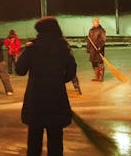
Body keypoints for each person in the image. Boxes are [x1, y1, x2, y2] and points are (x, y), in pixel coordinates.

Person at [16, 16, 77, 156]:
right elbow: (71, 71)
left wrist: (25, 51)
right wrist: (58, 81)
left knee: (34, 141)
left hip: (35, 100)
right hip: (56, 99)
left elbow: (20, 70)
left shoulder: (33, 47)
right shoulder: (63, 47)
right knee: (56, 141)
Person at [86, 17, 106, 82]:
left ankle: (101, 78)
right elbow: (89, 40)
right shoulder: (91, 30)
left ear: (98, 22)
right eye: (94, 22)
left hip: (98, 50)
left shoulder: (101, 30)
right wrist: (88, 48)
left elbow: (103, 40)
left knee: (100, 63)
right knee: (94, 63)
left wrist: (100, 47)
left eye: (96, 22)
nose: (95, 23)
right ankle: (97, 77)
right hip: (92, 50)